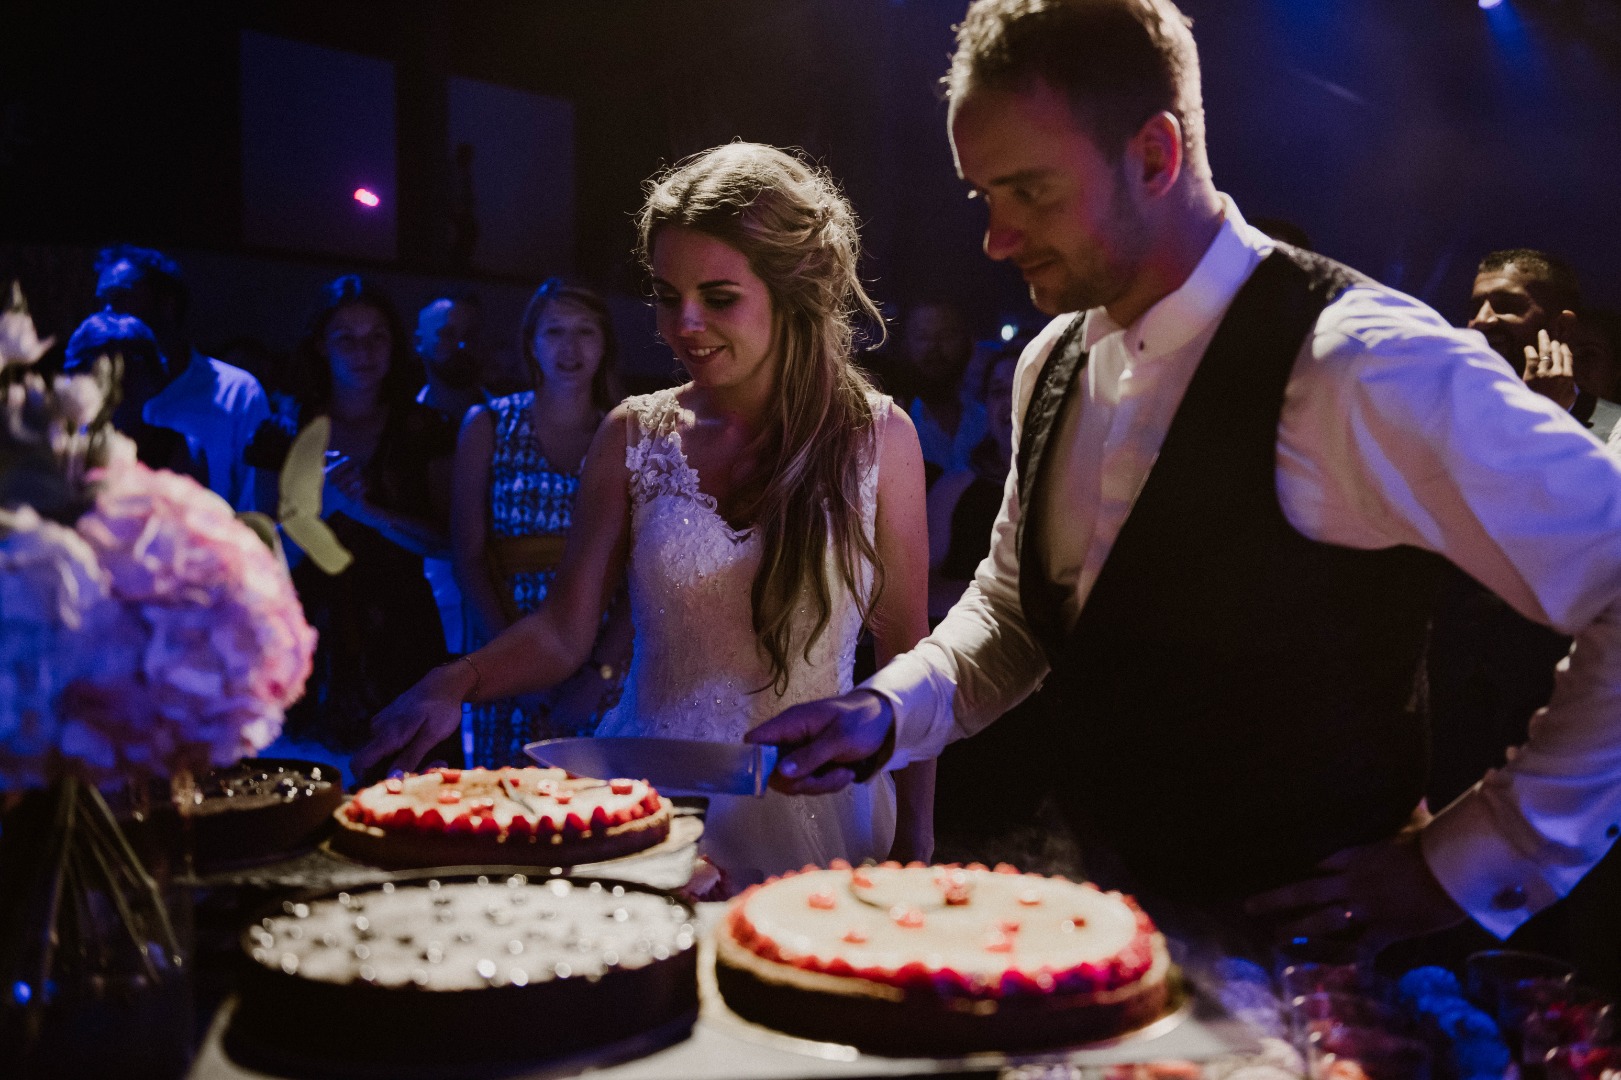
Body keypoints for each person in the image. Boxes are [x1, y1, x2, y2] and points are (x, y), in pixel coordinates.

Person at [751, 0, 1621, 958]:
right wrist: (889, 709)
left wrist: (1474, 855)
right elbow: (1014, 613)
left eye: (1029, 192)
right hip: (1117, 933)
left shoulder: (1358, 363)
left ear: (1156, 155)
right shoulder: (1053, 360)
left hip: (1313, 975)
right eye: (981, 197)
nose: (996, 239)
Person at [356, 143, 933, 885]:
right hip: (643, 795)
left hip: (808, 807)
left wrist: (917, 833)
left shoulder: (877, 438)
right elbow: (566, 632)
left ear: (794, 294)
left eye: (717, 296)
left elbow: (906, 656)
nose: (681, 324)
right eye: (666, 295)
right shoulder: (632, 434)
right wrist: (454, 680)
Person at [279, 275, 458, 760]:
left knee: (415, 794)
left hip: (403, 629)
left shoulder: (423, 428)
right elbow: (264, 555)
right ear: (321, 345)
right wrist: (318, 514)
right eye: (347, 338)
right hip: (306, 630)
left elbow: (448, 542)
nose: (364, 351)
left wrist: (367, 511)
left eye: (377, 336)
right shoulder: (284, 428)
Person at [452, 278, 630, 766]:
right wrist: (514, 666)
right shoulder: (488, 424)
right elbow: (468, 559)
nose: (569, 348)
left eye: (584, 331)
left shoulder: (628, 433)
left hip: (602, 657)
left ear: (604, 343)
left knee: (602, 812)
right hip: (505, 637)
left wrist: (599, 673)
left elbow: (643, 571)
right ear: (531, 342)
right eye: (554, 332)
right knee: (503, 815)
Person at [93, 245, 270, 510]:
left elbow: (254, 511)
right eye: (102, 301)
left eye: (121, 298)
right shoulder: (92, 393)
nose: (107, 313)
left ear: (167, 304)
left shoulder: (236, 393)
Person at [61, 311, 207, 484]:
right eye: (102, 372)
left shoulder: (178, 449)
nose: (117, 386)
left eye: (132, 370)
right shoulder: (57, 442)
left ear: (154, 378)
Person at [902, 300, 988, 483]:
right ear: (907, 345)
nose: (934, 347)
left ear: (968, 344)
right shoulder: (890, 424)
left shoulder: (988, 422)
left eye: (946, 336)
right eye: (923, 337)